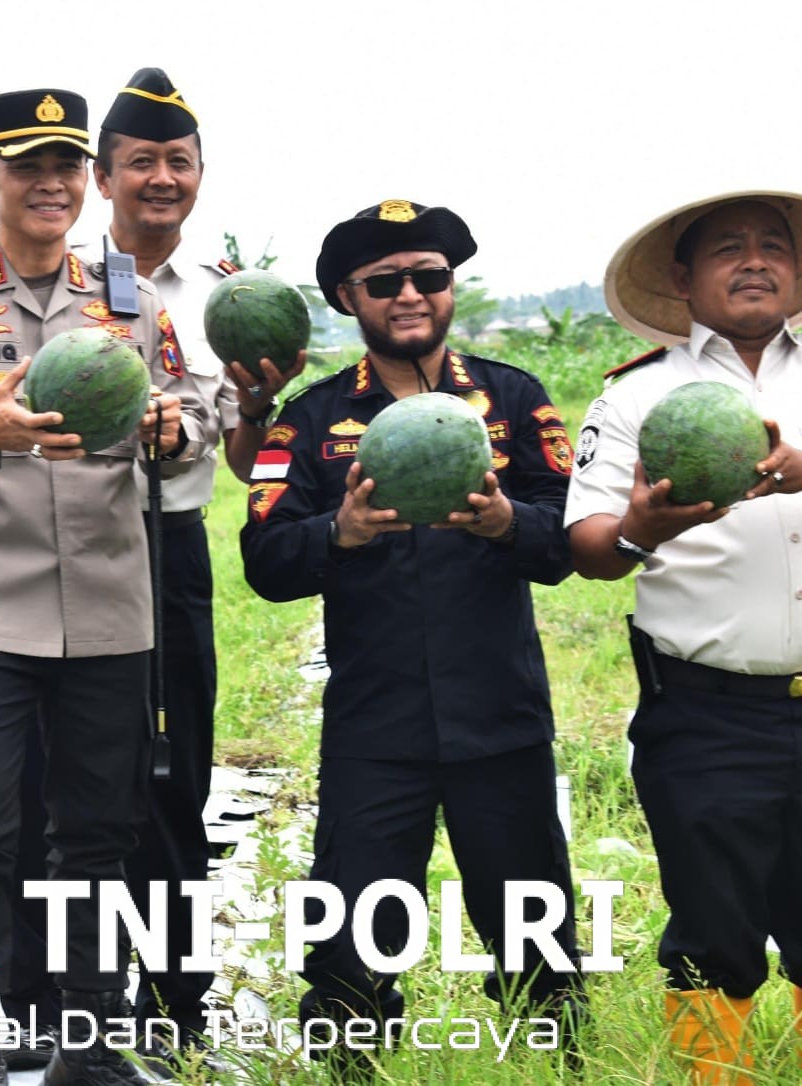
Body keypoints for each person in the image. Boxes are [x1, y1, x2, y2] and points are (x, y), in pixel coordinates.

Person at [0, 88, 205, 1086]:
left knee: (99, 833)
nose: (50, 184)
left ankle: (89, 1047)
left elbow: (180, 414)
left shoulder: (133, 299)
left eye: (65, 166)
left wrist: (167, 430)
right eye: (27, 168)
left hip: (108, 608)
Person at [239, 201, 585, 1078]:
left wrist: (508, 522)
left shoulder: (513, 399)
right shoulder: (310, 420)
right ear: (349, 297)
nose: (409, 295)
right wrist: (338, 535)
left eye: (428, 275)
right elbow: (266, 559)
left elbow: (564, 545)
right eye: (383, 281)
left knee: (533, 934)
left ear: (450, 286)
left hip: (500, 716)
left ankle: (556, 1065)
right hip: (375, 727)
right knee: (350, 950)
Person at [82, 66, 308, 1046]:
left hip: (168, 553)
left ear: (200, 175)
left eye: (178, 161)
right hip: (66, 554)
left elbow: (246, 462)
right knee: (74, 786)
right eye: (142, 162)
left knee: (177, 780)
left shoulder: (225, 305)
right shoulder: (54, 281)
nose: (161, 178)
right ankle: (74, 1003)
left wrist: (255, 407)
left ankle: (173, 1010)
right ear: (104, 178)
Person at [565, 190, 802, 1085]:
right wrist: (648, 526)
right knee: (715, 933)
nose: (754, 261)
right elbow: (588, 547)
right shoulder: (638, 396)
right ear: (683, 276)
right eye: (729, 248)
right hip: (706, 713)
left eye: (772, 245)